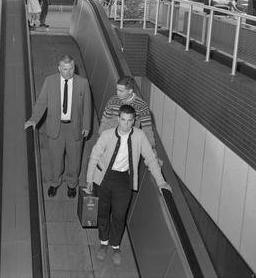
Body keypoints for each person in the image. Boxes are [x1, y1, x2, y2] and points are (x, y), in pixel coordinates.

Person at [86, 104, 171, 265]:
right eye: (123, 120)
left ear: (134, 121)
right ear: (118, 119)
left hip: (124, 180)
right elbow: (94, 156)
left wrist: (161, 182)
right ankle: (103, 243)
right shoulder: (107, 135)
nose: (125, 124)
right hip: (103, 178)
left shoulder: (139, 136)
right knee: (103, 213)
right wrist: (89, 179)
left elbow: (150, 159)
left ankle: (115, 245)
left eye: (129, 121)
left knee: (119, 215)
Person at [24, 54, 92, 198]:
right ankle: (55, 182)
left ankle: (72, 184)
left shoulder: (83, 83)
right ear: (59, 68)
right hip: (56, 128)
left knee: (75, 160)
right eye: (65, 69)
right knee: (56, 159)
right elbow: (42, 102)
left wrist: (86, 125)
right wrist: (33, 119)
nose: (69, 72)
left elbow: (87, 107)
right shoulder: (50, 81)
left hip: (75, 128)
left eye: (72, 68)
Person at [98, 76, 155, 147]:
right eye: (117, 90)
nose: (117, 93)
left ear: (130, 91)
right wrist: (101, 139)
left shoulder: (141, 105)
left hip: (129, 144)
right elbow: (105, 121)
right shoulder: (112, 101)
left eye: (121, 91)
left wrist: (151, 147)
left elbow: (147, 128)